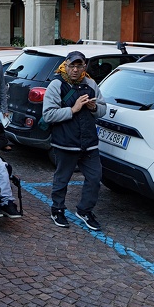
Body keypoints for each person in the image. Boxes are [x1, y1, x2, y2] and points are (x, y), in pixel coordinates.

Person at [43, 51, 107, 231]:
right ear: (66, 65)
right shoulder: (56, 85)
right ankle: (57, 209)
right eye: (72, 65)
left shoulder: (91, 83)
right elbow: (48, 115)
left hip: (89, 143)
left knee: (95, 177)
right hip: (65, 142)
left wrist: (94, 108)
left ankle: (85, 210)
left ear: (84, 67)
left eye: (79, 66)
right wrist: (73, 109)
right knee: (62, 179)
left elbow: (103, 110)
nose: (75, 70)